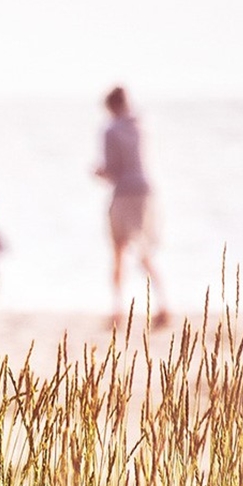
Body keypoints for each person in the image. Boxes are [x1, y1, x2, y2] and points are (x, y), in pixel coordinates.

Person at [94, 86, 169, 328]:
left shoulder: (111, 130)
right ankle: (164, 304)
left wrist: (98, 173)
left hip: (124, 192)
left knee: (118, 251)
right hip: (146, 191)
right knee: (145, 252)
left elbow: (112, 170)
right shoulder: (140, 126)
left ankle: (117, 310)